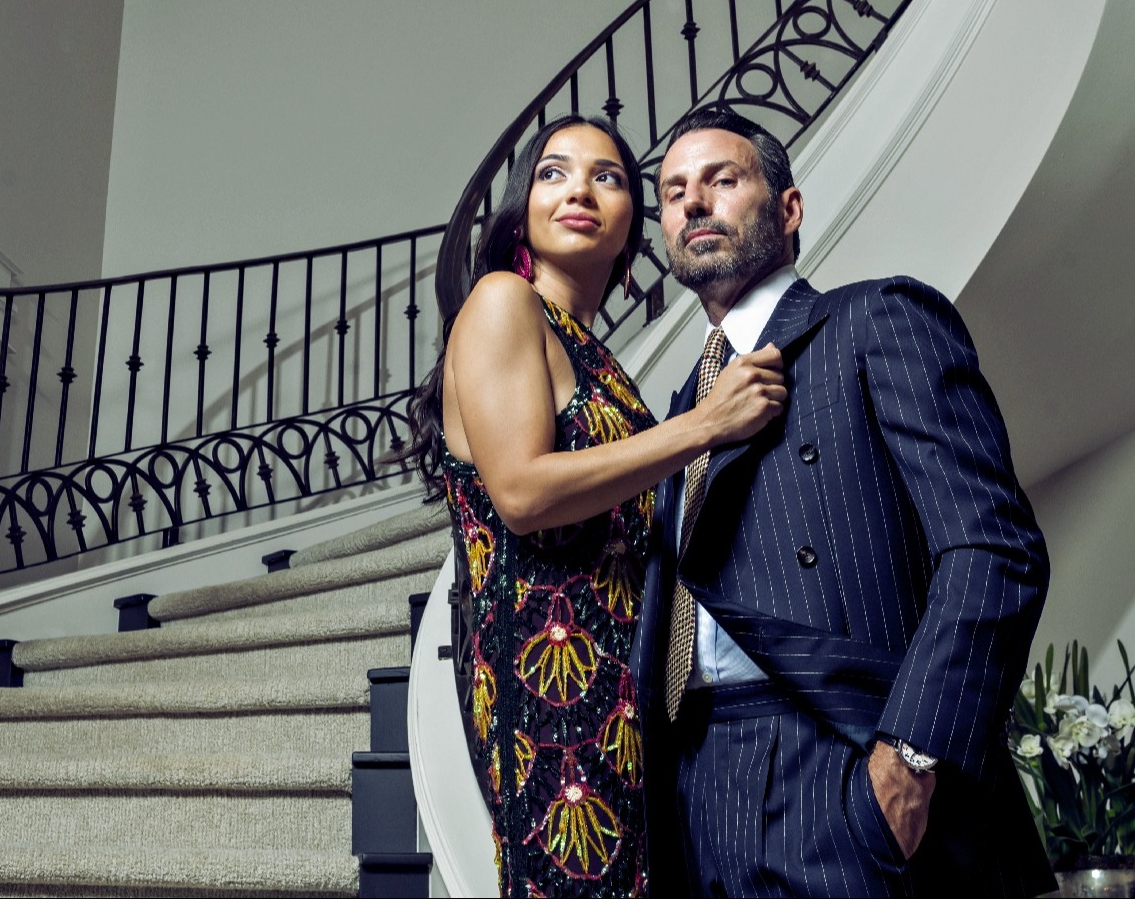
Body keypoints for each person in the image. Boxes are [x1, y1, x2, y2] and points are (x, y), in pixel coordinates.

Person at [630, 104, 1054, 897]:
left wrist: (908, 758)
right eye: (672, 189)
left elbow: (993, 548)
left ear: (787, 209)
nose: (692, 202)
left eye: (722, 179)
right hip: (694, 776)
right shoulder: (682, 407)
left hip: (837, 753)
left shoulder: (875, 317)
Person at [408, 114, 787, 898]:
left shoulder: (590, 351)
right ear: (521, 209)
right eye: (554, 172)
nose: (580, 188)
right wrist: (702, 426)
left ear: (629, 230)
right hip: (552, 701)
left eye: (607, 177)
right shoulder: (501, 301)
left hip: (625, 702)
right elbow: (520, 492)